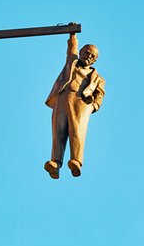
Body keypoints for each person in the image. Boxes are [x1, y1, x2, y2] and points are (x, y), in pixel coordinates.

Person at [44, 33, 105, 179]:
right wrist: (73, 34)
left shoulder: (98, 78)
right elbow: (71, 48)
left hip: (82, 103)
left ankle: (76, 161)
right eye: (86, 53)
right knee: (58, 131)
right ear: (81, 53)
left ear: (94, 60)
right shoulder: (72, 62)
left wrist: (93, 106)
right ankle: (55, 163)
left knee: (77, 131)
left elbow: (100, 94)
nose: (88, 56)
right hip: (63, 97)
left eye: (92, 56)